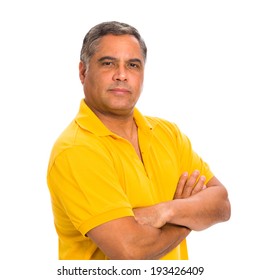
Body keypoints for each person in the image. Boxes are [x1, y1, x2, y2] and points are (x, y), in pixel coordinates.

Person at [46, 21, 231, 260]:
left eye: (132, 65)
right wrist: (190, 216)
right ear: (83, 72)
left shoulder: (167, 133)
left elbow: (222, 203)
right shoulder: (76, 150)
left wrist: (167, 210)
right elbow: (131, 252)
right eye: (108, 63)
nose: (122, 75)